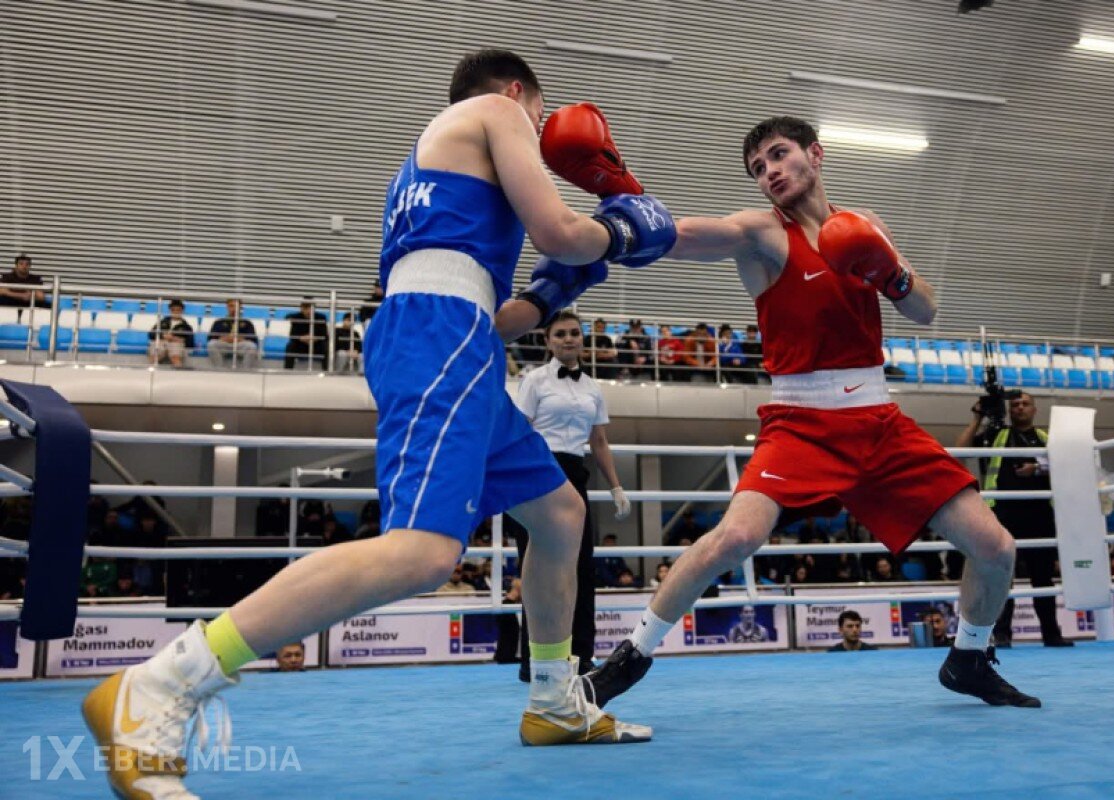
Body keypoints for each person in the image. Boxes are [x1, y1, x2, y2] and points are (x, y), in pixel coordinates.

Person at [84, 48, 678, 798]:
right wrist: (617, 235)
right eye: (539, 114)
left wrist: (560, 288)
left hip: (453, 333)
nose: (540, 131)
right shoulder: (496, 113)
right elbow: (560, 230)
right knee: (424, 553)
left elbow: (499, 316)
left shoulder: (439, 168)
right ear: (521, 93)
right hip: (438, 335)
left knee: (560, 513)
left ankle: (555, 702)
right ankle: (162, 685)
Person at [587, 115, 1039, 715]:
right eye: (757, 168)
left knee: (997, 548)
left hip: (879, 420)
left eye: (778, 156)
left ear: (815, 155)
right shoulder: (760, 234)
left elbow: (926, 311)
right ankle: (628, 658)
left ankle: (969, 658)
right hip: (800, 421)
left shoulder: (866, 226)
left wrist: (892, 273)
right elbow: (682, 235)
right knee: (737, 536)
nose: (769, 172)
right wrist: (612, 224)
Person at [507, 309, 632, 681]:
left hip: (576, 474)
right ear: (548, 341)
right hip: (537, 473)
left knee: (580, 568)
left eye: (574, 333)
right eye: (560, 334)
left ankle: (582, 656)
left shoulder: (592, 387)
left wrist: (616, 486)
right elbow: (519, 431)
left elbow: (599, 441)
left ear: (583, 338)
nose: (568, 339)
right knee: (536, 567)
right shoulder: (533, 381)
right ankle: (533, 660)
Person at [957, 391, 1072, 648]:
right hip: (1003, 515)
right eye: (1015, 404)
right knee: (1001, 579)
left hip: (1041, 515)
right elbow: (959, 452)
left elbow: (1068, 465)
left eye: (1025, 404)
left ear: (1034, 409)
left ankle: (1052, 634)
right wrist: (976, 418)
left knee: (1043, 578)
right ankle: (1002, 634)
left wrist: (1038, 468)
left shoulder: (1046, 439)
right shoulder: (995, 436)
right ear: (1009, 410)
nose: (1020, 408)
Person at [206, 298, 260, 369]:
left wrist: (240, 339)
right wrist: (222, 338)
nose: (234, 309)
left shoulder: (247, 323)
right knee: (211, 344)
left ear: (240, 308)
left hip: (240, 345)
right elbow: (210, 338)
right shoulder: (219, 322)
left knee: (252, 346)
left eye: (236, 306)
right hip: (224, 345)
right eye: (231, 306)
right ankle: (219, 368)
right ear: (227, 307)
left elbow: (254, 340)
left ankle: (246, 370)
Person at [283, 297, 329, 371]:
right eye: (305, 308)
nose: (308, 311)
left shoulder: (321, 317)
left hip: (316, 344)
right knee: (290, 346)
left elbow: (325, 335)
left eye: (310, 308)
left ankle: (327, 371)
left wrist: (315, 338)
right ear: (301, 308)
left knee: (326, 347)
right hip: (301, 344)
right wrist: (301, 338)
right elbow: (292, 335)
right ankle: (287, 371)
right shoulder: (296, 317)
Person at [147, 299, 194, 368]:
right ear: (170, 310)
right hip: (162, 342)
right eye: (173, 310)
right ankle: (151, 371)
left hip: (176, 344)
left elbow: (190, 343)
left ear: (182, 311)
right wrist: (163, 336)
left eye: (178, 310)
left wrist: (176, 339)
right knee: (156, 350)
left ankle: (178, 371)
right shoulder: (162, 322)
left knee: (175, 354)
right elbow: (151, 334)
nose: (175, 312)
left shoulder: (186, 326)